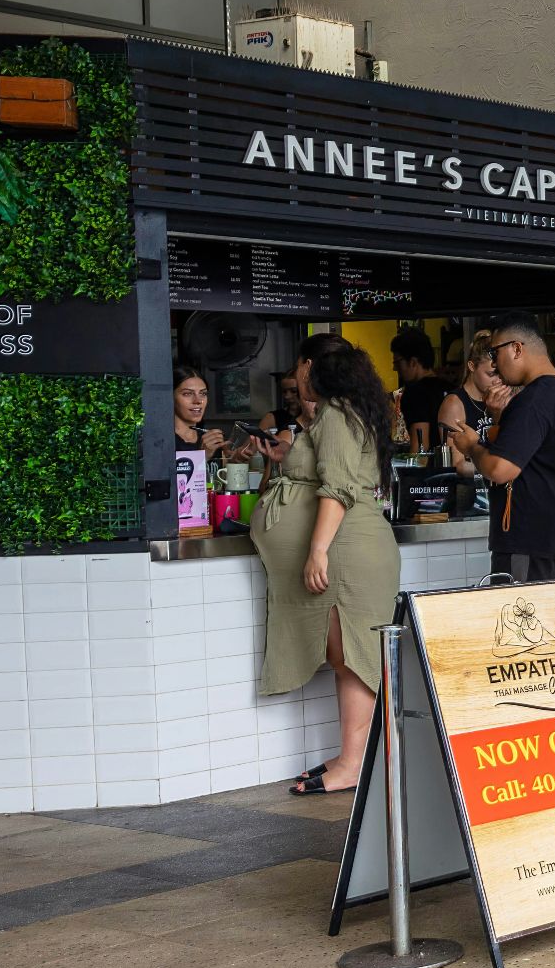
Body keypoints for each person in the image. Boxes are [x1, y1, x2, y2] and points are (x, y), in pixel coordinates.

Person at [249, 333, 402, 796]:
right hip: (349, 551)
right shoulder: (344, 413)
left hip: (347, 554)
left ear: (311, 367)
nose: (295, 378)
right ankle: (351, 757)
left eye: (297, 368)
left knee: (353, 659)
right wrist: (285, 457)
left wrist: (316, 551)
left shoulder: (336, 414)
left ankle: (354, 764)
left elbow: (337, 488)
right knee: (346, 658)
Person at [445, 313, 555, 583]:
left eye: (495, 353)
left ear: (517, 348)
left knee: (520, 625)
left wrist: (472, 445)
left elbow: (500, 470)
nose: (495, 365)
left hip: (529, 542)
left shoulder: (534, 400)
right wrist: (500, 420)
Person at [439, 332, 504, 515]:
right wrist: (495, 469)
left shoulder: (496, 401)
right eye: (490, 374)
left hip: (494, 495)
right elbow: (456, 463)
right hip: (467, 500)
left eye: (500, 373)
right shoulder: (454, 403)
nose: (497, 380)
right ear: (471, 366)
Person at [391, 328, 446, 454]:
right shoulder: (450, 388)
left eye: (398, 363)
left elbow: (420, 446)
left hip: (431, 469)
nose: (394, 368)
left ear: (413, 362)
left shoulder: (415, 393)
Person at [172, 367, 229, 461]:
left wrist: (234, 461)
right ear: (171, 397)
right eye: (187, 394)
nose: (198, 401)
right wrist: (202, 457)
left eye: (203, 393)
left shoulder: (211, 439)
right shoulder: (161, 442)